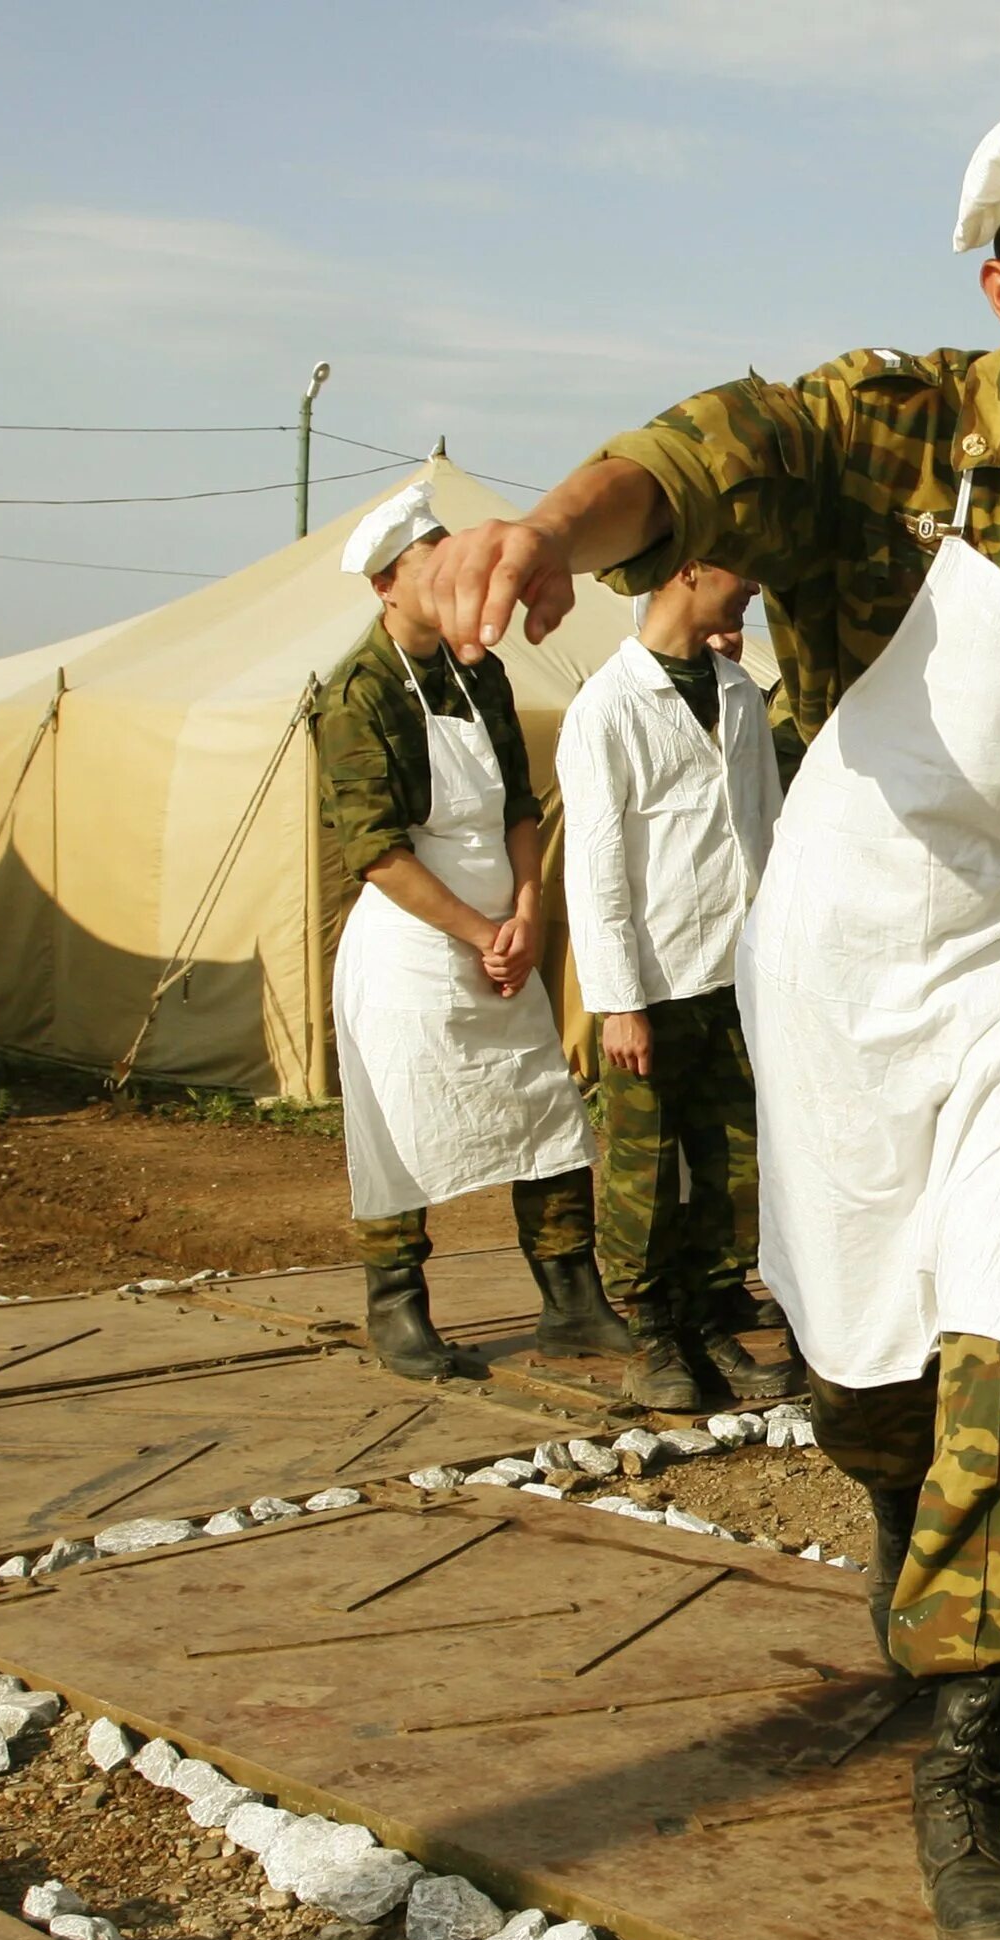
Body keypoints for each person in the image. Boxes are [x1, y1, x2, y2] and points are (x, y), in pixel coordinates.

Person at [416, 70, 1000, 1940]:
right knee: (864, 1371)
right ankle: (916, 1549)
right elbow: (697, 456)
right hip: (852, 949)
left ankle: (968, 1778)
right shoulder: (881, 426)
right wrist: (554, 531)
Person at [316, 481, 628, 1382]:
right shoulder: (358, 692)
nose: (455, 573)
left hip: (500, 929)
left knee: (547, 1114)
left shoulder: (477, 669)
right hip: (415, 948)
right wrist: (478, 930)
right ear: (386, 583)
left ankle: (572, 1301)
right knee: (400, 1127)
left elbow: (520, 808)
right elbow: (375, 850)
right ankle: (398, 1312)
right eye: (431, 562)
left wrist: (526, 912)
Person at [556, 561, 798, 1411]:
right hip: (654, 982)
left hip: (735, 972)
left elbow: (765, 834)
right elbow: (595, 869)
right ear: (687, 572)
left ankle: (706, 1320)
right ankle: (651, 1332)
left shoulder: (737, 693)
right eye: (742, 569)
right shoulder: (608, 708)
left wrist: (778, 960)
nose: (754, 589)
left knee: (734, 1163)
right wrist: (617, 999)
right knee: (645, 1171)